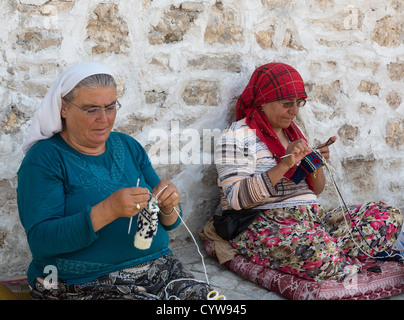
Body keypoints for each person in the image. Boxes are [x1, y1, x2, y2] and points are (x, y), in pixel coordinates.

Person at [17, 62, 209, 300]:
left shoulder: (127, 146)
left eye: (110, 107)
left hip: (159, 270)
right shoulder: (45, 159)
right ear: (64, 108)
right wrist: (108, 210)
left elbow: (170, 222)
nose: (104, 119)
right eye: (91, 109)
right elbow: (41, 241)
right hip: (82, 284)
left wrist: (169, 205)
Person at [210, 62, 403, 282]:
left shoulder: (293, 132)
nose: (294, 111)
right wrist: (284, 165)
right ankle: (328, 253)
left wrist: (315, 164)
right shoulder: (235, 136)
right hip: (264, 222)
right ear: (263, 101)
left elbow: (317, 190)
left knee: (387, 216)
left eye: (299, 103)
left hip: (311, 219)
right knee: (318, 252)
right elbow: (237, 198)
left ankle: (327, 252)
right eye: (287, 104)